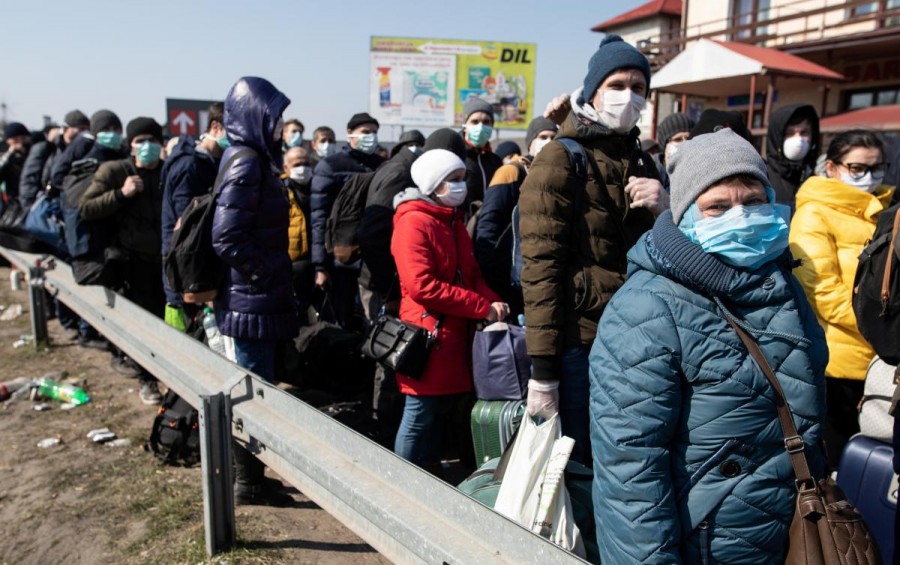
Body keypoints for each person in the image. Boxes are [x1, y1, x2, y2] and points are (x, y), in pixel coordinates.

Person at [590, 128, 827, 563]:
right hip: (709, 545)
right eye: (717, 206)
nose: (740, 216)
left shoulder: (781, 281)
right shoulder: (646, 309)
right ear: (684, 216)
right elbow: (630, 471)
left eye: (753, 201)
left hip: (793, 530)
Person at [519, 35, 667, 465]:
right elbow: (541, 270)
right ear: (593, 92)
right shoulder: (560, 159)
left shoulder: (641, 160)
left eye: (639, 88)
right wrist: (543, 372)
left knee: (621, 460)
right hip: (579, 344)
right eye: (617, 85)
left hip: (636, 338)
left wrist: (666, 207)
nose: (629, 97)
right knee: (577, 464)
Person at [391, 148, 507, 472]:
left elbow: (470, 275)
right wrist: (481, 306)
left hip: (453, 335)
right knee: (419, 414)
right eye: (452, 180)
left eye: (461, 179)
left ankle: (426, 474)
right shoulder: (413, 223)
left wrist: (495, 302)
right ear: (434, 184)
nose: (461, 186)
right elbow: (421, 286)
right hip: (428, 337)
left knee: (438, 416)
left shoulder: (451, 221)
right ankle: (403, 479)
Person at [212, 76, 298, 506]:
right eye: (275, 116)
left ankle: (254, 476)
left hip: (256, 299)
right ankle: (248, 483)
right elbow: (226, 238)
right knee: (251, 393)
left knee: (257, 388)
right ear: (255, 117)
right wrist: (264, 274)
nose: (282, 125)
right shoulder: (247, 162)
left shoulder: (250, 159)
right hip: (251, 299)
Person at [790, 129, 895, 467]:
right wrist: (885, 328)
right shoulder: (814, 213)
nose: (869, 177)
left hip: (880, 360)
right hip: (839, 362)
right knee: (839, 461)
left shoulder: (887, 211)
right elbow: (823, 293)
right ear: (832, 168)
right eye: (858, 168)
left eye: (877, 168)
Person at [358, 128, 467, 446]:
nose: (461, 183)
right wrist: (391, 291)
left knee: (423, 401)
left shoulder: (446, 213)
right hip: (401, 297)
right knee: (398, 368)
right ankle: (387, 439)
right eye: (455, 175)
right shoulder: (405, 180)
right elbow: (372, 233)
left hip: (433, 311)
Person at [80, 117, 168, 406]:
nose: (147, 147)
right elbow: (87, 207)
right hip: (133, 263)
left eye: (152, 141)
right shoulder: (115, 171)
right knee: (145, 325)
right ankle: (147, 380)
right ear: (130, 145)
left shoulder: (168, 172)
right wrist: (121, 193)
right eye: (140, 141)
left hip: (166, 263)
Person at [474, 116, 558, 318]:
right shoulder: (511, 172)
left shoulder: (557, 175)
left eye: (554, 137)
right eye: (543, 136)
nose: (549, 142)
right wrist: (489, 276)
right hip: (507, 277)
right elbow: (489, 224)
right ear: (530, 142)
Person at [310, 112, 385, 328]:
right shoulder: (330, 166)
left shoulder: (382, 166)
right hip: (340, 262)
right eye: (365, 132)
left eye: (374, 132)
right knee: (341, 323)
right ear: (350, 134)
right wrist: (320, 266)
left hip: (372, 262)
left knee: (372, 323)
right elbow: (319, 218)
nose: (370, 136)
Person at [160, 102, 228, 331]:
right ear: (216, 128)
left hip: (203, 273)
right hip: (188, 277)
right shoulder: (190, 166)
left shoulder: (215, 163)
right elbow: (187, 229)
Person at [19, 110, 91, 208]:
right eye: (81, 129)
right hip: (46, 205)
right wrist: (30, 207)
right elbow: (29, 180)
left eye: (87, 130)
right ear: (66, 129)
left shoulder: (85, 150)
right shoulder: (46, 148)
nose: (84, 134)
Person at [765, 103, 820, 212]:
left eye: (804, 132)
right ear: (777, 137)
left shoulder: (817, 180)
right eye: (789, 133)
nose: (798, 140)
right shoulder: (763, 178)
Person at [282, 146, 314, 319]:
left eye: (306, 163)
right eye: (297, 164)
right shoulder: (281, 189)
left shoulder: (316, 187)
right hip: (292, 262)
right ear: (286, 167)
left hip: (312, 260)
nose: (303, 167)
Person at [460, 97, 503, 207]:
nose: (480, 126)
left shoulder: (496, 162)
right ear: (465, 126)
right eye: (475, 122)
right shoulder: (457, 157)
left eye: (486, 122)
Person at [654, 112, 694, 190]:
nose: (684, 143)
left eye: (688, 138)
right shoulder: (652, 173)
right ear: (665, 145)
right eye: (678, 139)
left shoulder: (697, 173)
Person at [0, 122, 33, 206]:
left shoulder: (34, 153)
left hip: (31, 200)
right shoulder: (8, 157)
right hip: (14, 203)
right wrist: (9, 155)